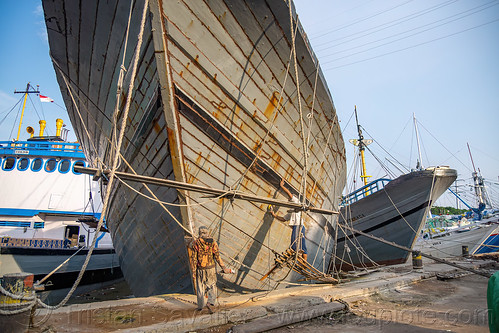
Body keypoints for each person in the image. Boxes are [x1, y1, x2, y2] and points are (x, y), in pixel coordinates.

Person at [191, 226, 231, 313]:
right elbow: (217, 256)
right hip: (211, 268)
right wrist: (223, 267)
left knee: (200, 287)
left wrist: (193, 272)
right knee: (212, 286)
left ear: (199, 233)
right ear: (207, 233)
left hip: (200, 269)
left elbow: (194, 259)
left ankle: (201, 306)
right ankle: (211, 303)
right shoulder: (213, 242)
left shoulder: (195, 243)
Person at [271, 179, 308, 261]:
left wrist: (282, 186)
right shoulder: (292, 210)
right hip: (298, 227)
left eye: (289, 198)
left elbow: (289, 194)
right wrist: (274, 215)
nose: (288, 199)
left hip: (298, 226)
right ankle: (303, 262)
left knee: (296, 245)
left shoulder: (296, 202)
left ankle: (302, 261)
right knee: (300, 244)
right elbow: (283, 219)